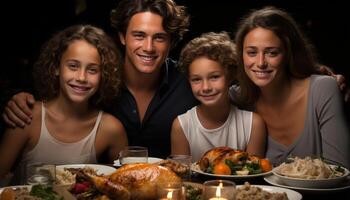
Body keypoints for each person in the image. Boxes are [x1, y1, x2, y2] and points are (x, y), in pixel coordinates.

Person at [1, 0, 197, 158]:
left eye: (160, 38)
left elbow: (224, 95)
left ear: (172, 42)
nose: (148, 47)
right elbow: (52, 98)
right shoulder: (97, 76)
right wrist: (17, 98)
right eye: (139, 35)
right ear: (122, 36)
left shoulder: (191, 81)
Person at [0, 25, 128, 178]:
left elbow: (126, 184)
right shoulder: (27, 116)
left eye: (92, 70)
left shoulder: (110, 129)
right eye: (73, 66)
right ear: (56, 68)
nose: (81, 77)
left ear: (103, 75)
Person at [234, 6, 350, 168]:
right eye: (252, 52)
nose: (260, 63)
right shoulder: (238, 99)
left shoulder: (323, 89)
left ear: (289, 54)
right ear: (241, 55)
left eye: (272, 53)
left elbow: (341, 171)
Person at [171, 32, 266, 162]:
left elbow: (253, 174)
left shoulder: (253, 124)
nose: (206, 87)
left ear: (230, 76)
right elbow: (181, 177)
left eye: (214, 77)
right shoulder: (182, 126)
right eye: (196, 79)